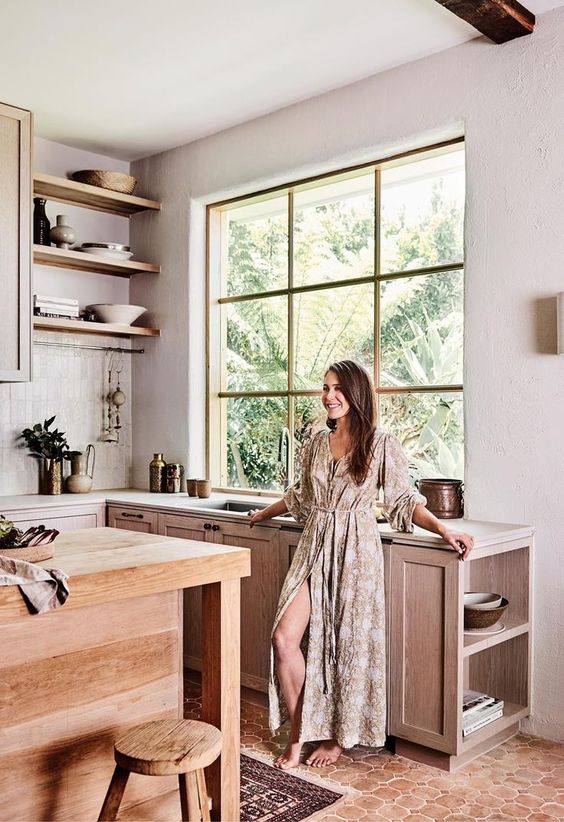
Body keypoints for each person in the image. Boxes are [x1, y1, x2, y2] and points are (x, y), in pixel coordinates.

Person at [248, 360, 474, 770]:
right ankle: (299, 734)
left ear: (356, 394)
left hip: (356, 552)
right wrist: (263, 514)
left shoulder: (381, 443)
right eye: (325, 387)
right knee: (284, 638)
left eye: (337, 388)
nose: (329, 396)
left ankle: (336, 737)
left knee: (346, 648)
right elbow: (300, 496)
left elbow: (404, 500)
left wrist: (444, 530)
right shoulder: (316, 442)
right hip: (315, 544)